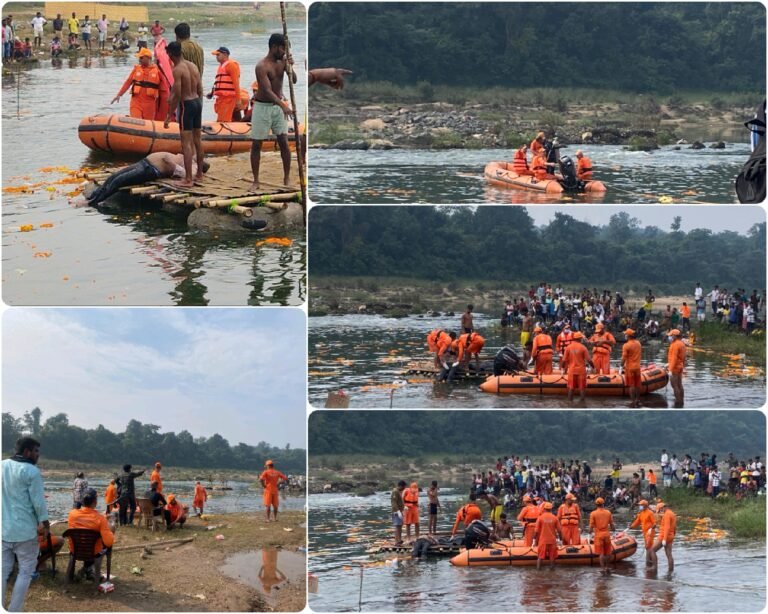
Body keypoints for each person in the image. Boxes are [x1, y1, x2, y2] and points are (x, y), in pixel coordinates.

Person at [2, 437, 50, 612]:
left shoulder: (2, 465)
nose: (38, 455)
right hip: (25, 532)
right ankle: (15, 610)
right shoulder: (31, 471)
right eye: (36, 451)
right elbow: (39, 503)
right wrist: (46, 524)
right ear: (27, 451)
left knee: (3, 571)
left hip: (4, 530)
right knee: (25, 572)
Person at [70, 152, 209, 207]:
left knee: (119, 182)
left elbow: (181, 173)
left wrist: (170, 163)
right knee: (113, 176)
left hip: (150, 170)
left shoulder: (192, 168)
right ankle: (92, 197)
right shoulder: (187, 156)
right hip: (144, 162)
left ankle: (91, 203)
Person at [250, 33, 296, 190]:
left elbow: (293, 80)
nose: (284, 51)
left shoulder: (283, 61)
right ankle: (255, 180)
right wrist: (283, 105)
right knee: (257, 144)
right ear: (274, 47)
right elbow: (267, 90)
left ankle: (287, 178)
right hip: (263, 106)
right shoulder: (261, 66)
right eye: (283, 48)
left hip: (278, 107)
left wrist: (291, 67)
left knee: (283, 141)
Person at [165, 40, 205, 188]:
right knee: (198, 140)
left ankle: (188, 179)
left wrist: (169, 115)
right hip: (197, 102)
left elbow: (176, 95)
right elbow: (200, 88)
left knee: (186, 143)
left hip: (186, 105)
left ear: (170, 54)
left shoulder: (177, 69)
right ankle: (199, 174)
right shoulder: (193, 66)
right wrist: (199, 105)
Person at [66, 489, 114, 581]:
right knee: (103, 545)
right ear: (95, 502)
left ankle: (86, 570)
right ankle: (88, 569)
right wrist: (111, 531)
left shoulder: (72, 514)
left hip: (75, 550)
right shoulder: (100, 518)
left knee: (86, 541)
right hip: (93, 552)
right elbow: (108, 543)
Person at [111, 48, 161, 119]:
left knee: (148, 125)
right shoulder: (136, 69)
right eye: (139, 58)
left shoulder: (157, 71)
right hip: (136, 102)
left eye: (141, 58)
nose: (139, 60)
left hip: (150, 104)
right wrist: (119, 95)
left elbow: (163, 87)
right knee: (136, 121)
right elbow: (128, 82)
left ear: (148, 58)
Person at [207, 46, 240, 122]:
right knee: (220, 118)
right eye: (216, 55)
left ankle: (225, 131)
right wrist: (212, 93)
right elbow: (218, 82)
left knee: (224, 119)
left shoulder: (231, 65)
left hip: (229, 97)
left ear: (225, 55)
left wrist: (238, 100)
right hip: (221, 97)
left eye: (218, 55)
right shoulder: (221, 66)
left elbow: (236, 83)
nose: (216, 57)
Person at [562, 331, 593, 403]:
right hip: (581, 371)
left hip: (572, 371)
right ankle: (582, 404)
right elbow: (589, 360)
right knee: (582, 388)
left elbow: (564, 360)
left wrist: (563, 369)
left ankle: (570, 403)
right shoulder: (583, 347)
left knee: (571, 388)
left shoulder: (568, 347)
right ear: (579, 339)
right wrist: (593, 367)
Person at [588, 497, 615, 574]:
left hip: (598, 535)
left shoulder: (593, 513)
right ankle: (607, 567)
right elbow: (612, 524)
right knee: (608, 552)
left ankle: (603, 569)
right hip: (606, 534)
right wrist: (613, 529)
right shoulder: (608, 512)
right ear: (603, 504)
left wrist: (589, 532)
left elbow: (591, 526)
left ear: (596, 504)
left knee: (601, 553)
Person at [534, 501, 563, 570]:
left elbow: (536, 531)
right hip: (552, 541)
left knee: (540, 557)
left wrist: (534, 540)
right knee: (552, 557)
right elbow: (559, 531)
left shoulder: (540, 518)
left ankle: (538, 571)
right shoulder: (555, 518)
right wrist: (561, 540)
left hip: (543, 541)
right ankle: (552, 572)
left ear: (544, 509)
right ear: (551, 509)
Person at [650, 501, 676, 571]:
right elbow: (674, 527)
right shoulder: (672, 513)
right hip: (670, 536)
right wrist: (673, 535)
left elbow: (667, 527)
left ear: (663, 508)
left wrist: (664, 539)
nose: (660, 512)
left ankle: (654, 567)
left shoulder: (667, 514)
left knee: (652, 550)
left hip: (664, 536)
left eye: (660, 510)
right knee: (669, 554)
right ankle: (671, 571)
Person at [629, 499, 656, 565]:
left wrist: (653, 527)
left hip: (650, 532)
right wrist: (631, 526)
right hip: (644, 533)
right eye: (639, 505)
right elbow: (637, 522)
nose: (639, 506)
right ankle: (649, 561)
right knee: (647, 547)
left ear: (644, 506)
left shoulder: (650, 513)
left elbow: (654, 523)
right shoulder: (641, 514)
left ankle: (649, 561)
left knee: (649, 547)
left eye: (640, 505)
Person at [621, 328, 642, 408]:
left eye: (626, 334)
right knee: (637, 384)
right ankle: (637, 399)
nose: (625, 336)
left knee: (632, 385)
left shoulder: (626, 345)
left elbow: (624, 358)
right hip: (637, 367)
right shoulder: (638, 343)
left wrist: (621, 366)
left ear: (628, 336)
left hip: (630, 368)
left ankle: (633, 401)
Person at [667, 328, 686, 407]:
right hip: (680, 366)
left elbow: (674, 358)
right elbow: (683, 357)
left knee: (674, 385)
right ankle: (681, 401)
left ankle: (678, 402)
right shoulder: (682, 343)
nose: (670, 337)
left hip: (674, 367)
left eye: (671, 335)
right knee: (679, 384)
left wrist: (670, 370)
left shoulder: (675, 345)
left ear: (675, 336)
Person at [391, 480, 406, 545]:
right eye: (403, 487)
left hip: (400, 510)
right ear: (400, 486)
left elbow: (399, 501)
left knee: (400, 525)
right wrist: (397, 511)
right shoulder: (395, 491)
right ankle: (397, 541)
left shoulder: (398, 491)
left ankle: (399, 539)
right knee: (397, 526)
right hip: (396, 512)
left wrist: (404, 507)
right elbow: (394, 502)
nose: (403, 489)